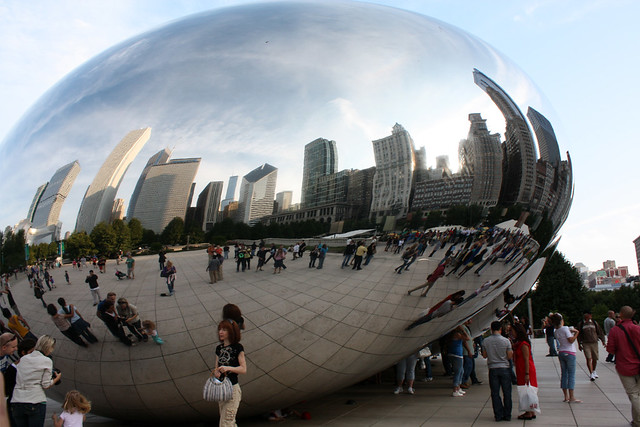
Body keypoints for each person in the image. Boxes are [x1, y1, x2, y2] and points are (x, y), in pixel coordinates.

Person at [11, 335, 62, 427]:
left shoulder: (23, 359)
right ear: (48, 347)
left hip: (17, 401)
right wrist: (56, 379)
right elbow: (46, 385)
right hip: (35, 400)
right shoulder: (46, 360)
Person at [607, 306, 640, 426]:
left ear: (620, 314)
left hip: (625, 367)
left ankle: (638, 421)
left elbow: (611, 349)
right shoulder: (637, 328)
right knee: (637, 395)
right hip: (638, 366)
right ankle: (636, 420)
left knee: (633, 395)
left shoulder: (615, 330)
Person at [214, 319, 246, 427]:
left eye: (224, 330)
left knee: (226, 423)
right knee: (228, 422)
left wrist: (228, 368)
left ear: (231, 332)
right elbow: (216, 368)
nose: (221, 332)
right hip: (222, 389)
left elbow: (243, 369)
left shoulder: (238, 348)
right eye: (220, 329)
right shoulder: (219, 349)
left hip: (232, 389)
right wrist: (216, 373)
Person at [482, 321, 513, 422]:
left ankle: (498, 415)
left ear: (491, 329)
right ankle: (507, 414)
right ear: (500, 329)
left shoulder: (486, 341)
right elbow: (509, 356)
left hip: (493, 368)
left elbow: (485, 355)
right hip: (504, 367)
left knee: (495, 393)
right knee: (507, 392)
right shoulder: (506, 341)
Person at [550, 313, 581, 403]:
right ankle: (572, 397)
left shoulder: (556, 331)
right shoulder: (565, 328)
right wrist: (576, 333)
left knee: (564, 374)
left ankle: (565, 396)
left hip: (562, 352)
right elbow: (570, 340)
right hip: (570, 352)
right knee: (571, 374)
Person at [512, 323, 538, 420]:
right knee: (526, 390)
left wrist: (527, 373)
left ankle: (528, 411)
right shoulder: (519, 343)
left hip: (525, 370)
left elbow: (526, 359)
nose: (511, 333)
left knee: (526, 390)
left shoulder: (523, 344)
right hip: (522, 369)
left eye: (512, 331)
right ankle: (531, 410)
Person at [576, 310, 606, 381]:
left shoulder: (594, 323)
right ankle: (591, 373)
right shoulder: (581, 324)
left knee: (595, 358)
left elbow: (600, 332)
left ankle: (594, 370)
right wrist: (579, 344)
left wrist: (603, 341)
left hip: (594, 342)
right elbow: (578, 335)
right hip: (586, 343)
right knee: (588, 358)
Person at [449, 326, 472, 397]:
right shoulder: (457, 334)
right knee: (458, 371)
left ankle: (458, 387)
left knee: (461, 371)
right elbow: (467, 338)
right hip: (456, 354)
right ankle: (455, 389)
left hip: (458, 354)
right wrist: (464, 331)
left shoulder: (458, 334)